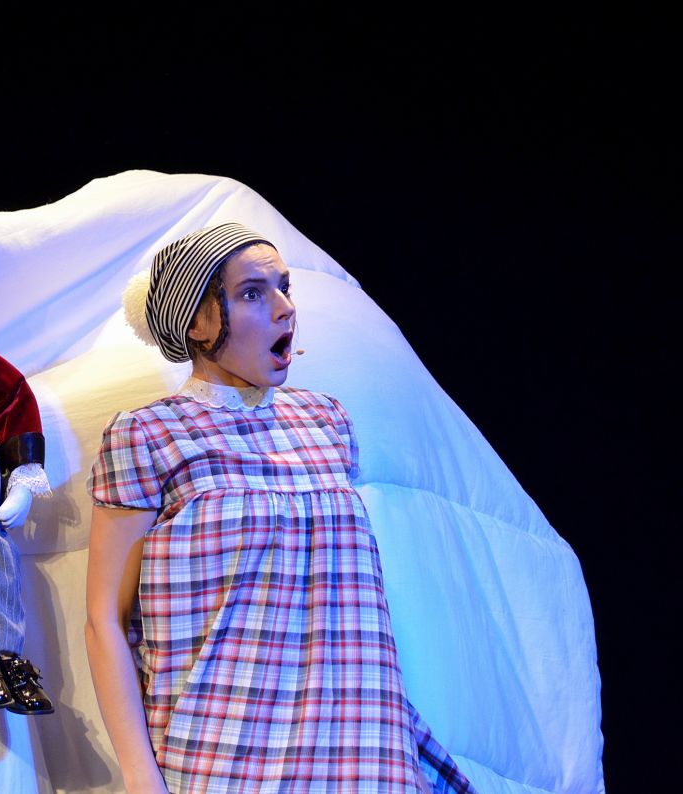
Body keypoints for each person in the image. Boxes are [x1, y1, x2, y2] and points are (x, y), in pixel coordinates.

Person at [85, 223, 474, 792]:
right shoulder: (148, 434)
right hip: (225, 758)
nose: (285, 308)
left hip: (363, 751)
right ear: (196, 322)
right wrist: (142, 779)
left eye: (284, 287)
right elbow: (105, 621)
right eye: (252, 292)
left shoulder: (326, 421)